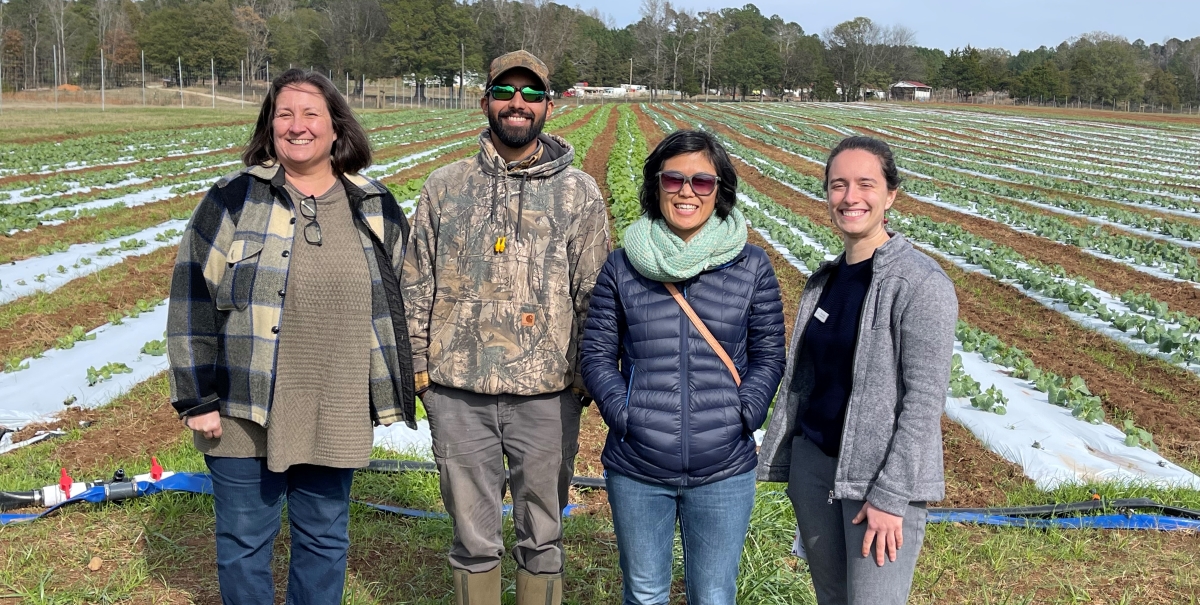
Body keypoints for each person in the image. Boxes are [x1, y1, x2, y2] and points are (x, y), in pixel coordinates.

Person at [167, 69, 416, 605]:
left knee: (325, 540)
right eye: (284, 114)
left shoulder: (376, 206)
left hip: (336, 403)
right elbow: (191, 297)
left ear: (335, 128)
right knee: (243, 541)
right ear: (269, 125)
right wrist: (196, 399)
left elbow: (406, 299)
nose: (297, 126)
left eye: (311, 115)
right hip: (243, 408)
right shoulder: (233, 199)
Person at [401, 50, 610, 605]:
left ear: (547, 105)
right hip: (458, 394)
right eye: (506, 92)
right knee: (473, 539)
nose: (518, 104)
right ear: (486, 99)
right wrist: (422, 375)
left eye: (532, 94)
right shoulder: (445, 187)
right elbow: (416, 283)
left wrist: (583, 382)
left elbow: (594, 295)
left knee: (543, 535)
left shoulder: (578, 192)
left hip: (546, 397)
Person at [580, 130, 786, 605]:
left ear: (721, 190)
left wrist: (744, 413)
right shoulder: (623, 266)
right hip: (637, 465)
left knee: (713, 595)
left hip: (724, 466)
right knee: (645, 592)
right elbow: (596, 354)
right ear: (656, 186)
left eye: (701, 181)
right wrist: (625, 414)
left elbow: (769, 353)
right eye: (673, 180)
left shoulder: (752, 266)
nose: (686, 191)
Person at [757, 136, 957, 605]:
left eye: (866, 184)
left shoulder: (920, 283)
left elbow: (924, 403)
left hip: (879, 484)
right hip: (816, 471)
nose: (851, 198)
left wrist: (891, 497)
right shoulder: (827, 280)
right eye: (838, 185)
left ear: (890, 195)